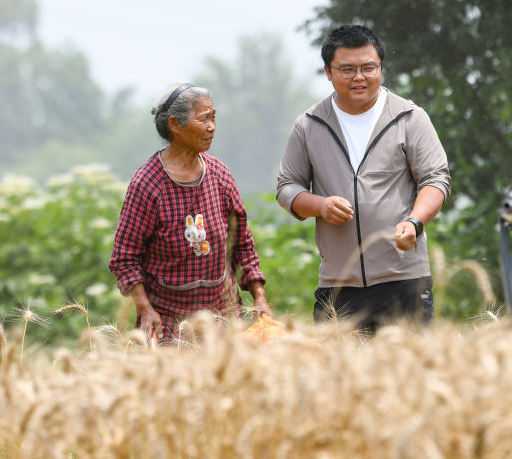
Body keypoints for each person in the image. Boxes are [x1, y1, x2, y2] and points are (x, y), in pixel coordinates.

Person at [277, 25, 451, 332]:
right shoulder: (309, 125)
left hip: (404, 278)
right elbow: (287, 186)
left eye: (369, 68)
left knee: (410, 375)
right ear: (328, 72)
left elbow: (435, 180)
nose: (359, 77)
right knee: (339, 378)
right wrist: (320, 205)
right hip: (338, 283)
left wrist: (415, 222)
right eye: (347, 69)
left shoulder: (409, 117)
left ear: (381, 67)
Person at [110, 82, 271, 342]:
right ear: (175, 125)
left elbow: (242, 245)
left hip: (224, 321)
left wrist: (259, 298)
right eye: (204, 119)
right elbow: (124, 259)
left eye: (214, 117)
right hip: (168, 325)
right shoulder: (147, 184)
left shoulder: (220, 175)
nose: (212, 127)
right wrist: (145, 309)